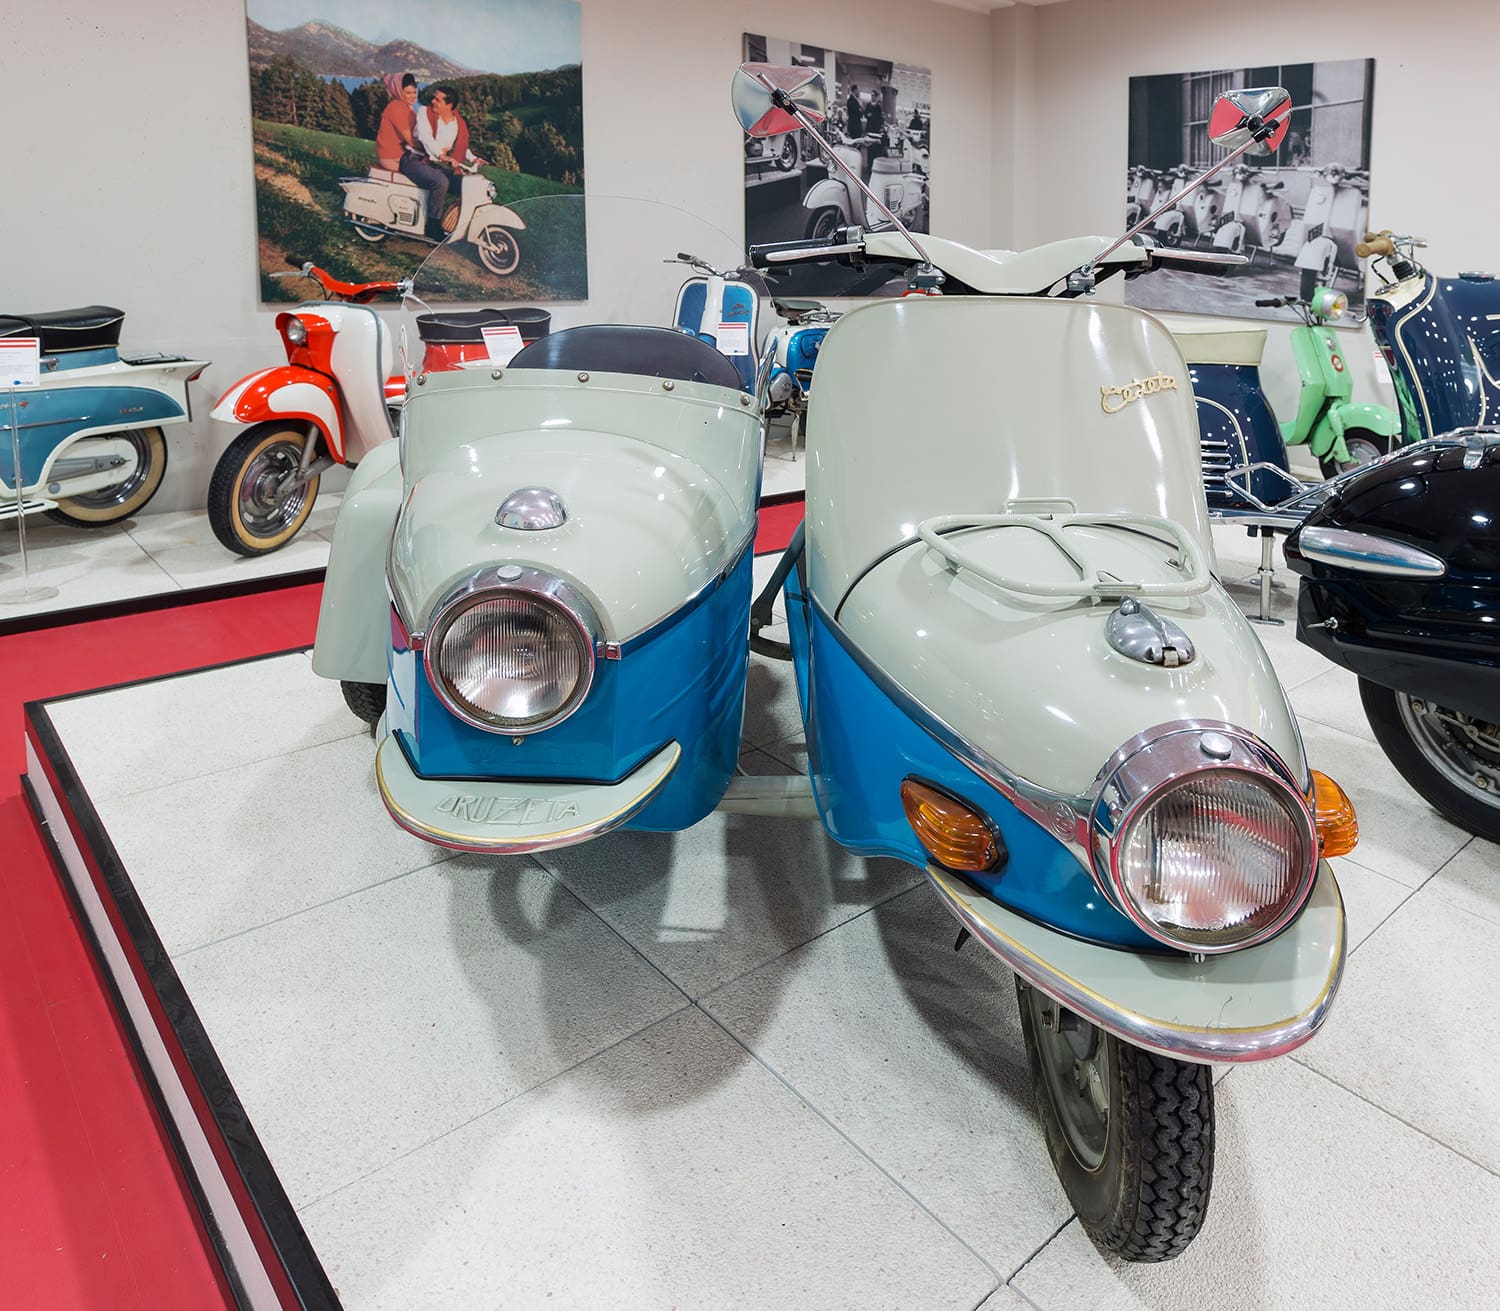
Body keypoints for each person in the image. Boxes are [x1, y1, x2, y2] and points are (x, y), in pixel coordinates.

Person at [376, 73, 419, 172]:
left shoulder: (408, 109)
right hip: (392, 157)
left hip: (403, 153)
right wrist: (431, 150)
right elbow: (411, 140)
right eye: (408, 93)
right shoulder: (396, 108)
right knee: (432, 176)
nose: (413, 96)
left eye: (414, 92)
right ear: (399, 92)